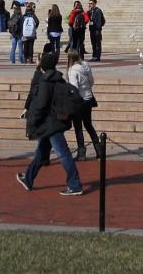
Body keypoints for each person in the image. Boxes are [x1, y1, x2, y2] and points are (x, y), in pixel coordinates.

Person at [16, 52, 84, 196]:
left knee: (63, 154)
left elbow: (41, 105)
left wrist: (32, 121)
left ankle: (75, 185)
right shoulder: (58, 78)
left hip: (50, 124)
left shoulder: (46, 82)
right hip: (53, 122)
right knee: (41, 153)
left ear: (43, 66)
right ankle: (28, 178)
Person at [66, 50, 100, 161]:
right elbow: (91, 82)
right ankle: (99, 149)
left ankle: (81, 152)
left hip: (79, 101)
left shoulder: (72, 70)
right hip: (88, 98)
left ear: (70, 59)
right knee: (88, 124)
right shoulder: (85, 65)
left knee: (78, 127)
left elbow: (74, 88)